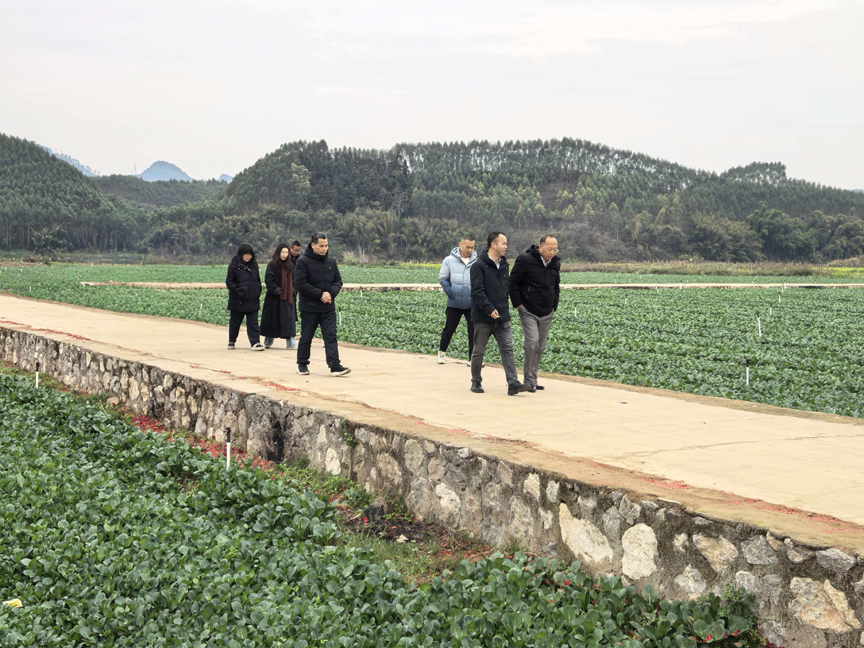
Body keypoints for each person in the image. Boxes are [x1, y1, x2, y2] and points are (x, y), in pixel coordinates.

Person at [469, 232, 531, 395]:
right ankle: (476, 381)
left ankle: (513, 383)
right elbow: (477, 291)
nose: (506, 246)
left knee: (507, 349)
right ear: (493, 244)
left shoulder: (504, 265)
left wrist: (506, 308)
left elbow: (505, 289)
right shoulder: (479, 265)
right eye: (503, 243)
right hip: (483, 317)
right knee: (479, 351)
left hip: (502, 317)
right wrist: (489, 309)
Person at [293, 233, 351, 376]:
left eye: (326, 246)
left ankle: (334, 366)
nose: (324, 249)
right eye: (321, 246)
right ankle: (302, 364)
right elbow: (300, 283)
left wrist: (330, 293)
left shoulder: (331, 262)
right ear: (313, 245)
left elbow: (338, 281)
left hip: (328, 307)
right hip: (310, 307)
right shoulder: (303, 261)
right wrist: (320, 294)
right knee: (306, 337)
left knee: (330, 336)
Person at [509, 235, 561, 392]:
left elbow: (556, 285)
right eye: (549, 249)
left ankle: (533, 378)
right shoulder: (525, 260)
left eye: (555, 249)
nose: (552, 252)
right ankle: (529, 381)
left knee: (540, 346)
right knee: (532, 342)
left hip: (547, 311)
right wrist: (518, 305)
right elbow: (513, 283)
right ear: (540, 248)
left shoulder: (555, 264)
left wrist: (554, 305)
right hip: (528, 310)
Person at [437, 234, 476, 365]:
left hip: (472, 303)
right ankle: (441, 353)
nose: (470, 250)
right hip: (454, 302)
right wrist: (451, 292)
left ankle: (472, 358)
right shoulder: (449, 260)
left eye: (472, 247)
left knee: (473, 331)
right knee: (449, 329)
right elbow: (443, 278)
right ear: (460, 244)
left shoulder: (477, 261)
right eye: (467, 247)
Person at [225, 243, 265, 351]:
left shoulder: (254, 265)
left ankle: (255, 343)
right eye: (245, 254)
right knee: (235, 321)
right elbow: (229, 282)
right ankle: (232, 340)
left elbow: (257, 280)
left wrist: (258, 291)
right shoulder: (234, 265)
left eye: (250, 255)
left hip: (252, 298)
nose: (248, 257)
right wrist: (238, 291)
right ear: (241, 255)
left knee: (253, 322)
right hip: (238, 299)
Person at [261, 243, 298, 349]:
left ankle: (291, 343)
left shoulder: (290, 265)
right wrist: (278, 291)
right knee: (272, 320)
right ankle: (268, 341)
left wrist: (293, 291)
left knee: (288, 322)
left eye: (286, 252)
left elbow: (296, 280)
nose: (285, 254)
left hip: (288, 299)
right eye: (283, 252)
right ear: (278, 252)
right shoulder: (272, 265)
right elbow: (269, 280)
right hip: (274, 298)